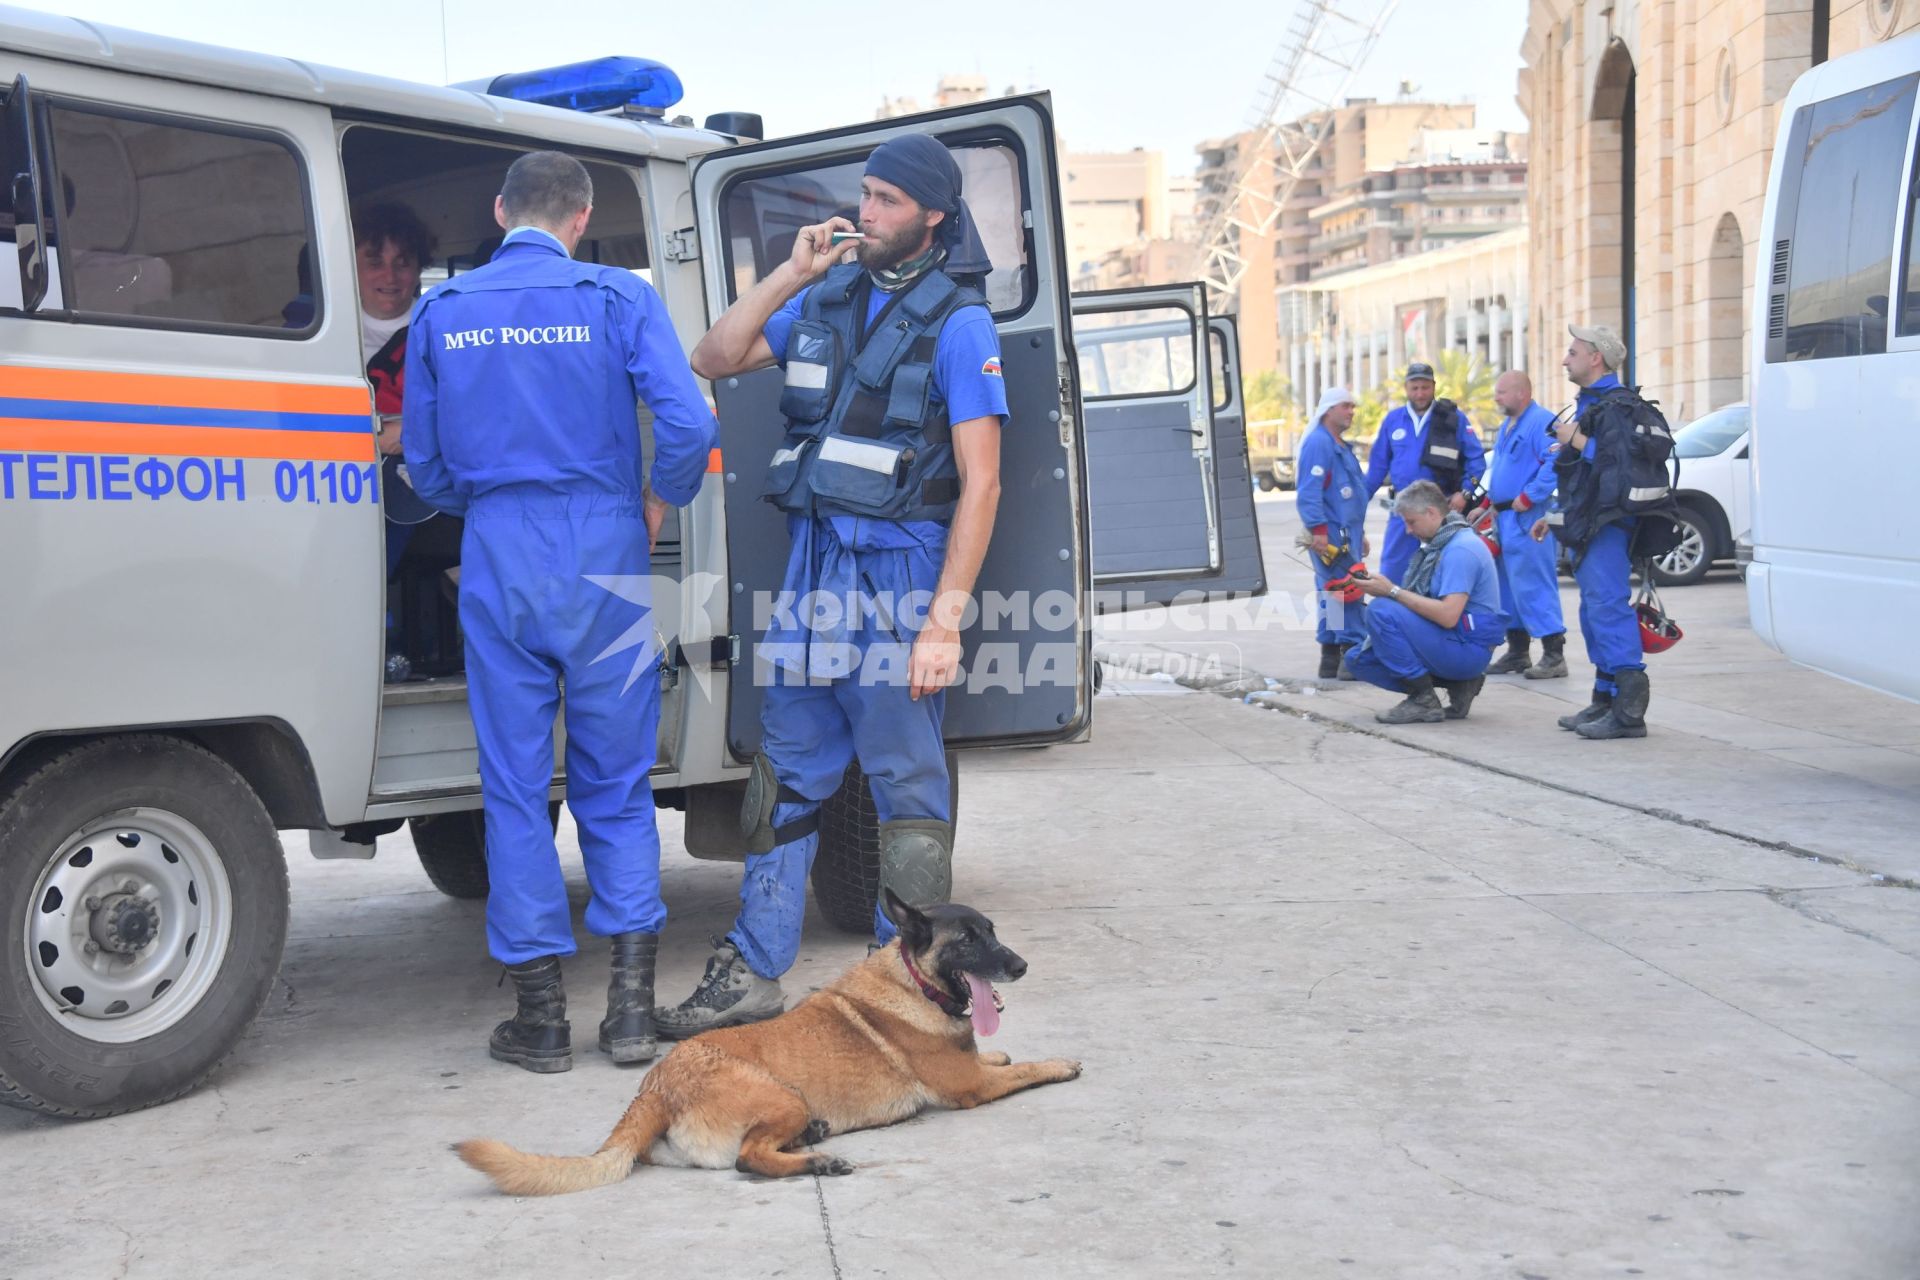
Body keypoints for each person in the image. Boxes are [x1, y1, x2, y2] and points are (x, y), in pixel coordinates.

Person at [661, 134, 1006, 1037]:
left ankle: (914, 989)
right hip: (815, 569)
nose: (867, 213)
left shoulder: (962, 324)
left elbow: (984, 483)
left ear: (933, 214)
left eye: (889, 199)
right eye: (866, 194)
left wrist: (943, 625)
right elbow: (714, 355)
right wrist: (788, 272)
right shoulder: (826, 293)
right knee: (784, 775)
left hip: (899, 570)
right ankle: (753, 970)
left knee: (906, 784)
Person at [402, 152, 718, 1072]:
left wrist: (491, 508)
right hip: (607, 548)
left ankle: (540, 1018)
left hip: (502, 550)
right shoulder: (618, 298)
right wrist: (659, 496)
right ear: (581, 220)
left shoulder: (442, 310)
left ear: (502, 212)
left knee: (511, 781)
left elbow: (424, 465)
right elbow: (690, 425)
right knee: (614, 781)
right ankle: (627, 1013)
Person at [1530, 324, 1680, 740]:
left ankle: (1629, 713)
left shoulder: (1615, 406)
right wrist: (1555, 514)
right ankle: (1605, 698)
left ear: (1596, 358)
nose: (1565, 359)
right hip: (1588, 521)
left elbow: (1613, 464)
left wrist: (1574, 440)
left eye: (1573, 352)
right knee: (1594, 609)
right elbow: (1585, 474)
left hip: (1608, 524)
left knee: (1608, 606)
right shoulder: (1594, 403)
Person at [351, 203, 437, 682]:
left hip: (413, 488)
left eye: (403, 261)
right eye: (374, 260)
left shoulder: (440, 326)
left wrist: (407, 432)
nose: (390, 275)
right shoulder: (313, 323)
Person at [1344, 480, 1503, 723]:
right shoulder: (1443, 544)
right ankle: (1460, 684)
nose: (1408, 530)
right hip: (1455, 640)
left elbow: (1448, 616)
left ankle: (1423, 699)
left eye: (1411, 522)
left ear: (1431, 513)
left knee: (1381, 611)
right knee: (1359, 659)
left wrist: (1391, 591)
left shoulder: (1461, 550)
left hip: (1468, 646)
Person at [1480, 370, 1568, 679]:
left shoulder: (1541, 423)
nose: (1496, 397)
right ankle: (1518, 651)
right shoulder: (1508, 425)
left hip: (1528, 518)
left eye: (1502, 392)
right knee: (1509, 587)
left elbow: (1557, 461)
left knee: (1534, 583)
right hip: (1504, 518)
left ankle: (1554, 653)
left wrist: (1530, 497)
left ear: (1521, 393)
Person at [1365, 361, 1487, 583]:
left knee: (1444, 576)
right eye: (1415, 388)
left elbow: (1477, 461)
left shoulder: (1453, 419)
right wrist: (1357, 504)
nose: (1420, 394)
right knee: (1393, 573)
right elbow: (1376, 469)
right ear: (1406, 389)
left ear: (1434, 386)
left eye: (1425, 387)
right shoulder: (1393, 421)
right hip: (1402, 511)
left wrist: (1466, 492)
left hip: (1440, 511)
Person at [1295, 386, 1371, 680]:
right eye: (1345, 406)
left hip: (1345, 532)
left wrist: (1359, 532)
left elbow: (1350, 496)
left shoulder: (1339, 445)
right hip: (1331, 534)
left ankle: (1330, 656)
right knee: (1347, 590)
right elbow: (1309, 492)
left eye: (1353, 407)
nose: (1351, 412)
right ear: (1328, 410)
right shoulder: (1319, 443)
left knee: (1333, 593)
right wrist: (1318, 530)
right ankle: (1353, 654)